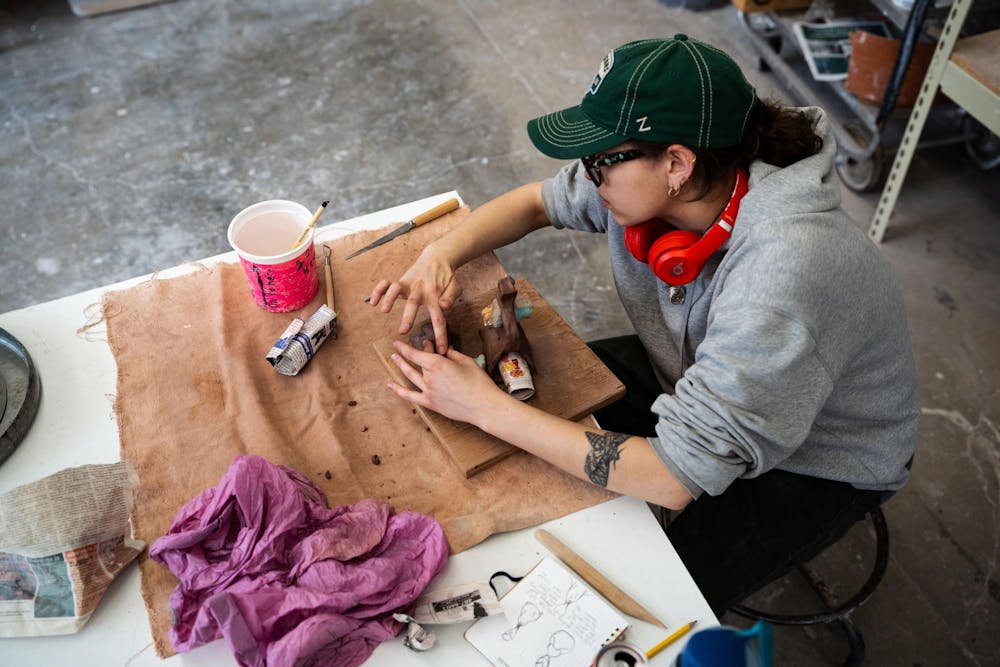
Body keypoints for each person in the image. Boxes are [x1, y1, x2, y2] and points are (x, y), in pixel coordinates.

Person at [366, 35, 920, 615]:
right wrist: (439, 255)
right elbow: (535, 202)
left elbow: (672, 477)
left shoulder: (782, 276)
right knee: (533, 393)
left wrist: (485, 409)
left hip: (818, 458)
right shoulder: (671, 180)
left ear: (677, 163)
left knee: (638, 601)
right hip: (692, 372)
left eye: (599, 161)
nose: (587, 177)